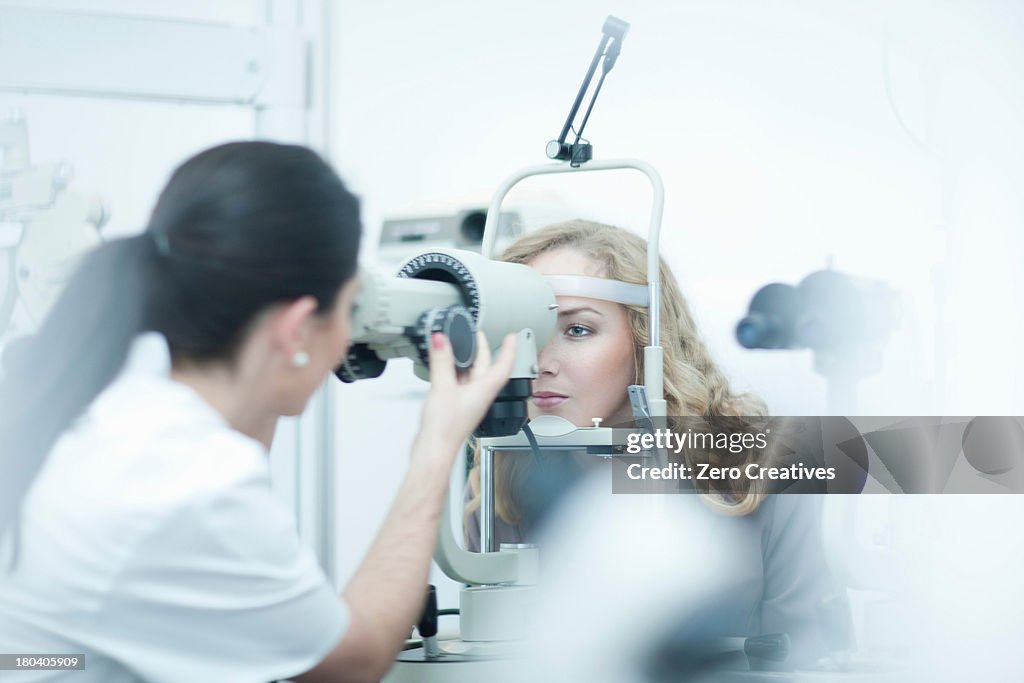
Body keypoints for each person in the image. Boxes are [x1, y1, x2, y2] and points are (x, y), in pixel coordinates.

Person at [0, 141, 516, 683]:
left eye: (585, 330)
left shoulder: (109, 396)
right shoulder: (185, 475)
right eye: (349, 311)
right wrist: (437, 446)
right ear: (295, 329)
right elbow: (351, 662)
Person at [464, 219, 837, 668]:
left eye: (577, 330)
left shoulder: (762, 457)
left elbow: (805, 652)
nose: (541, 361)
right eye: (523, 332)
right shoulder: (502, 476)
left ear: (646, 338)